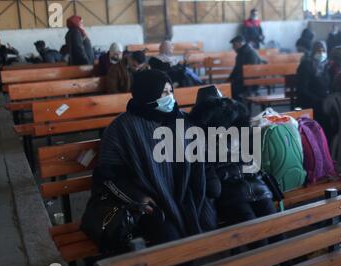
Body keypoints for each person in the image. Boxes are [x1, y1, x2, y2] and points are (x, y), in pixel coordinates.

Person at [86, 69, 217, 249]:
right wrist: (138, 197)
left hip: (186, 197)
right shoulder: (122, 128)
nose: (170, 97)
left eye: (171, 91)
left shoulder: (182, 120)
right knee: (172, 242)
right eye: (164, 92)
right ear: (147, 93)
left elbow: (200, 155)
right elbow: (110, 175)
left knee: (210, 221)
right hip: (150, 205)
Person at [188, 87, 282, 251]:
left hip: (257, 188)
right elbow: (211, 176)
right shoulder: (199, 141)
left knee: (276, 229)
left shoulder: (238, 131)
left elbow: (252, 163)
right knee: (257, 237)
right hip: (231, 196)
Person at [296, 41, 330, 127]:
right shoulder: (306, 65)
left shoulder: (326, 65)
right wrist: (319, 100)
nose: (321, 53)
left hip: (323, 99)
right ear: (313, 51)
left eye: (324, 51)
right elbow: (302, 89)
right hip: (310, 100)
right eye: (318, 51)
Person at [228, 35, 263, 100]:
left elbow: (250, 72)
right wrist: (230, 79)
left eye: (234, 45)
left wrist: (233, 80)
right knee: (228, 87)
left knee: (230, 89)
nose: (233, 47)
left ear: (240, 44)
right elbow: (237, 69)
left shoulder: (248, 53)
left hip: (250, 83)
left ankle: (239, 107)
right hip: (245, 80)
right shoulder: (243, 52)